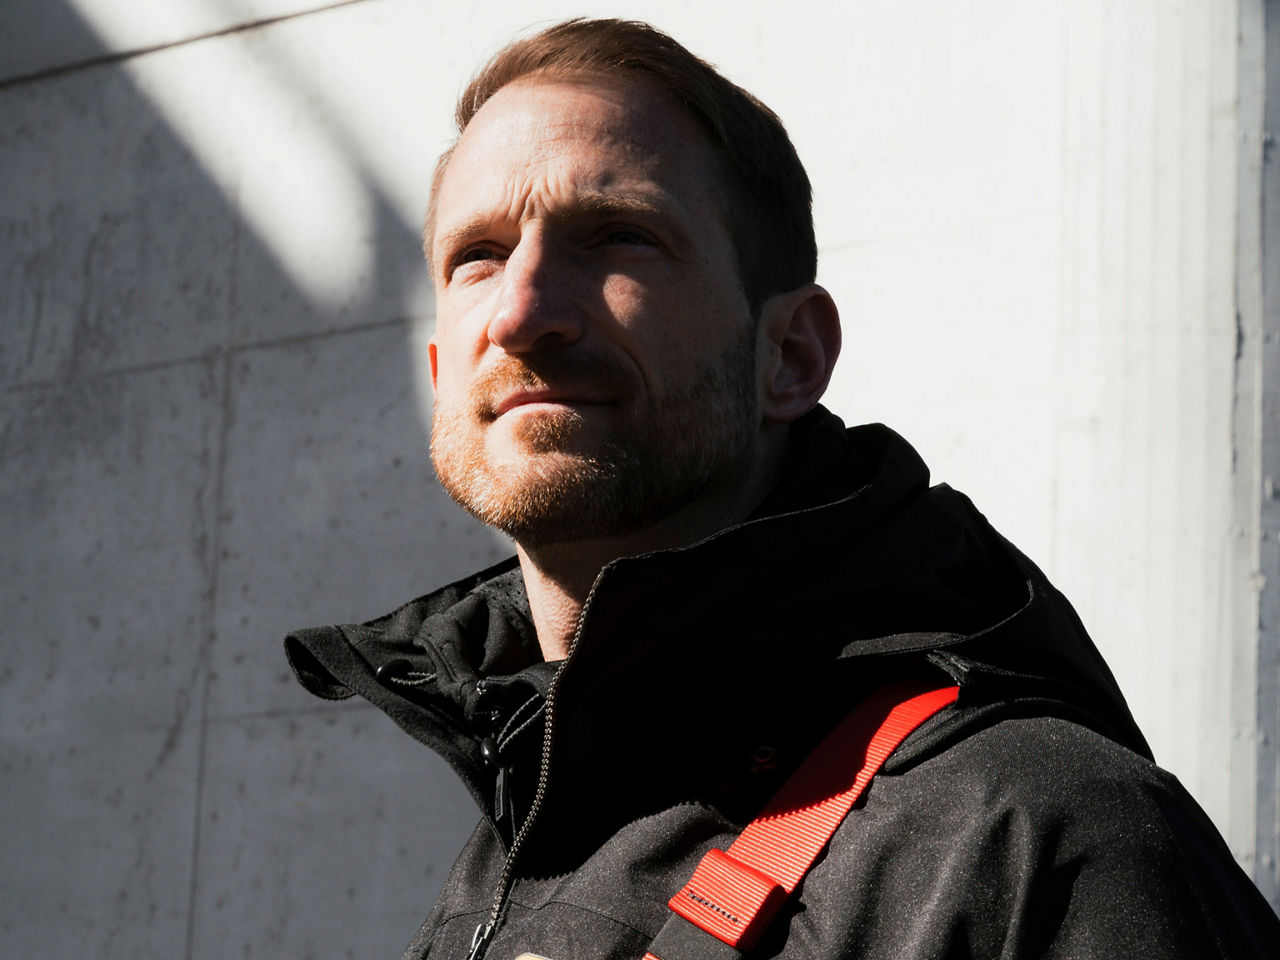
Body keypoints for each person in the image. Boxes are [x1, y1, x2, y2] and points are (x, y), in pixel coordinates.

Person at [285, 18, 1280, 960]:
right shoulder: (511, 839)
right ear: (436, 373)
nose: (524, 311)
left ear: (790, 355)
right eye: (476, 258)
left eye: (618, 237)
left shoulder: (1037, 835)